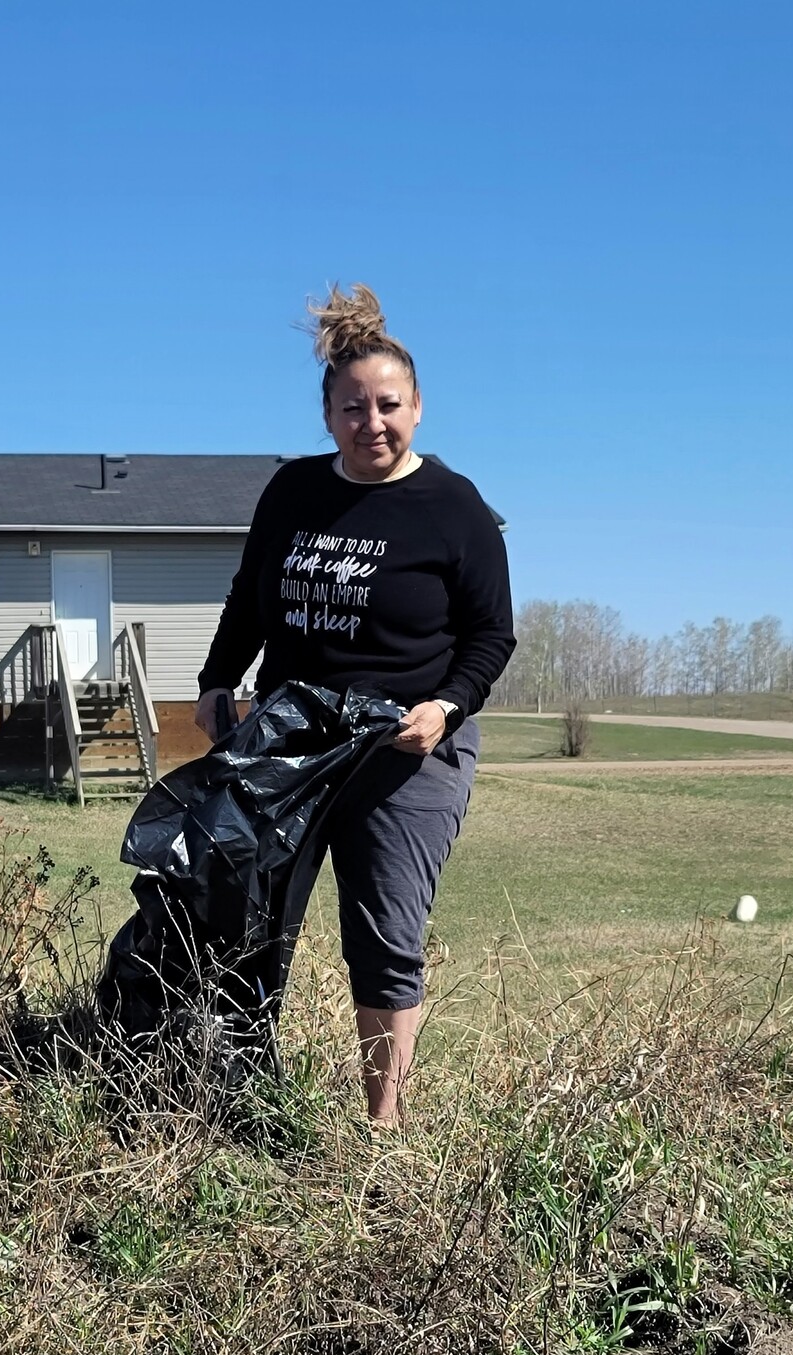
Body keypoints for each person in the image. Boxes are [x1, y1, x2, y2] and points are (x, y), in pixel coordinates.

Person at [195, 284, 516, 1129]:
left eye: (389, 405)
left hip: (405, 745)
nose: (371, 422)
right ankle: (233, 1100)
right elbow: (248, 599)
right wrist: (216, 680)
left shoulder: (455, 507)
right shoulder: (293, 493)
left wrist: (445, 707)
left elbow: (491, 635)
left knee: (381, 931)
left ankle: (382, 1122)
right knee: (245, 919)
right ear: (327, 414)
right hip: (292, 736)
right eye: (352, 407)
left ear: (418, 407)